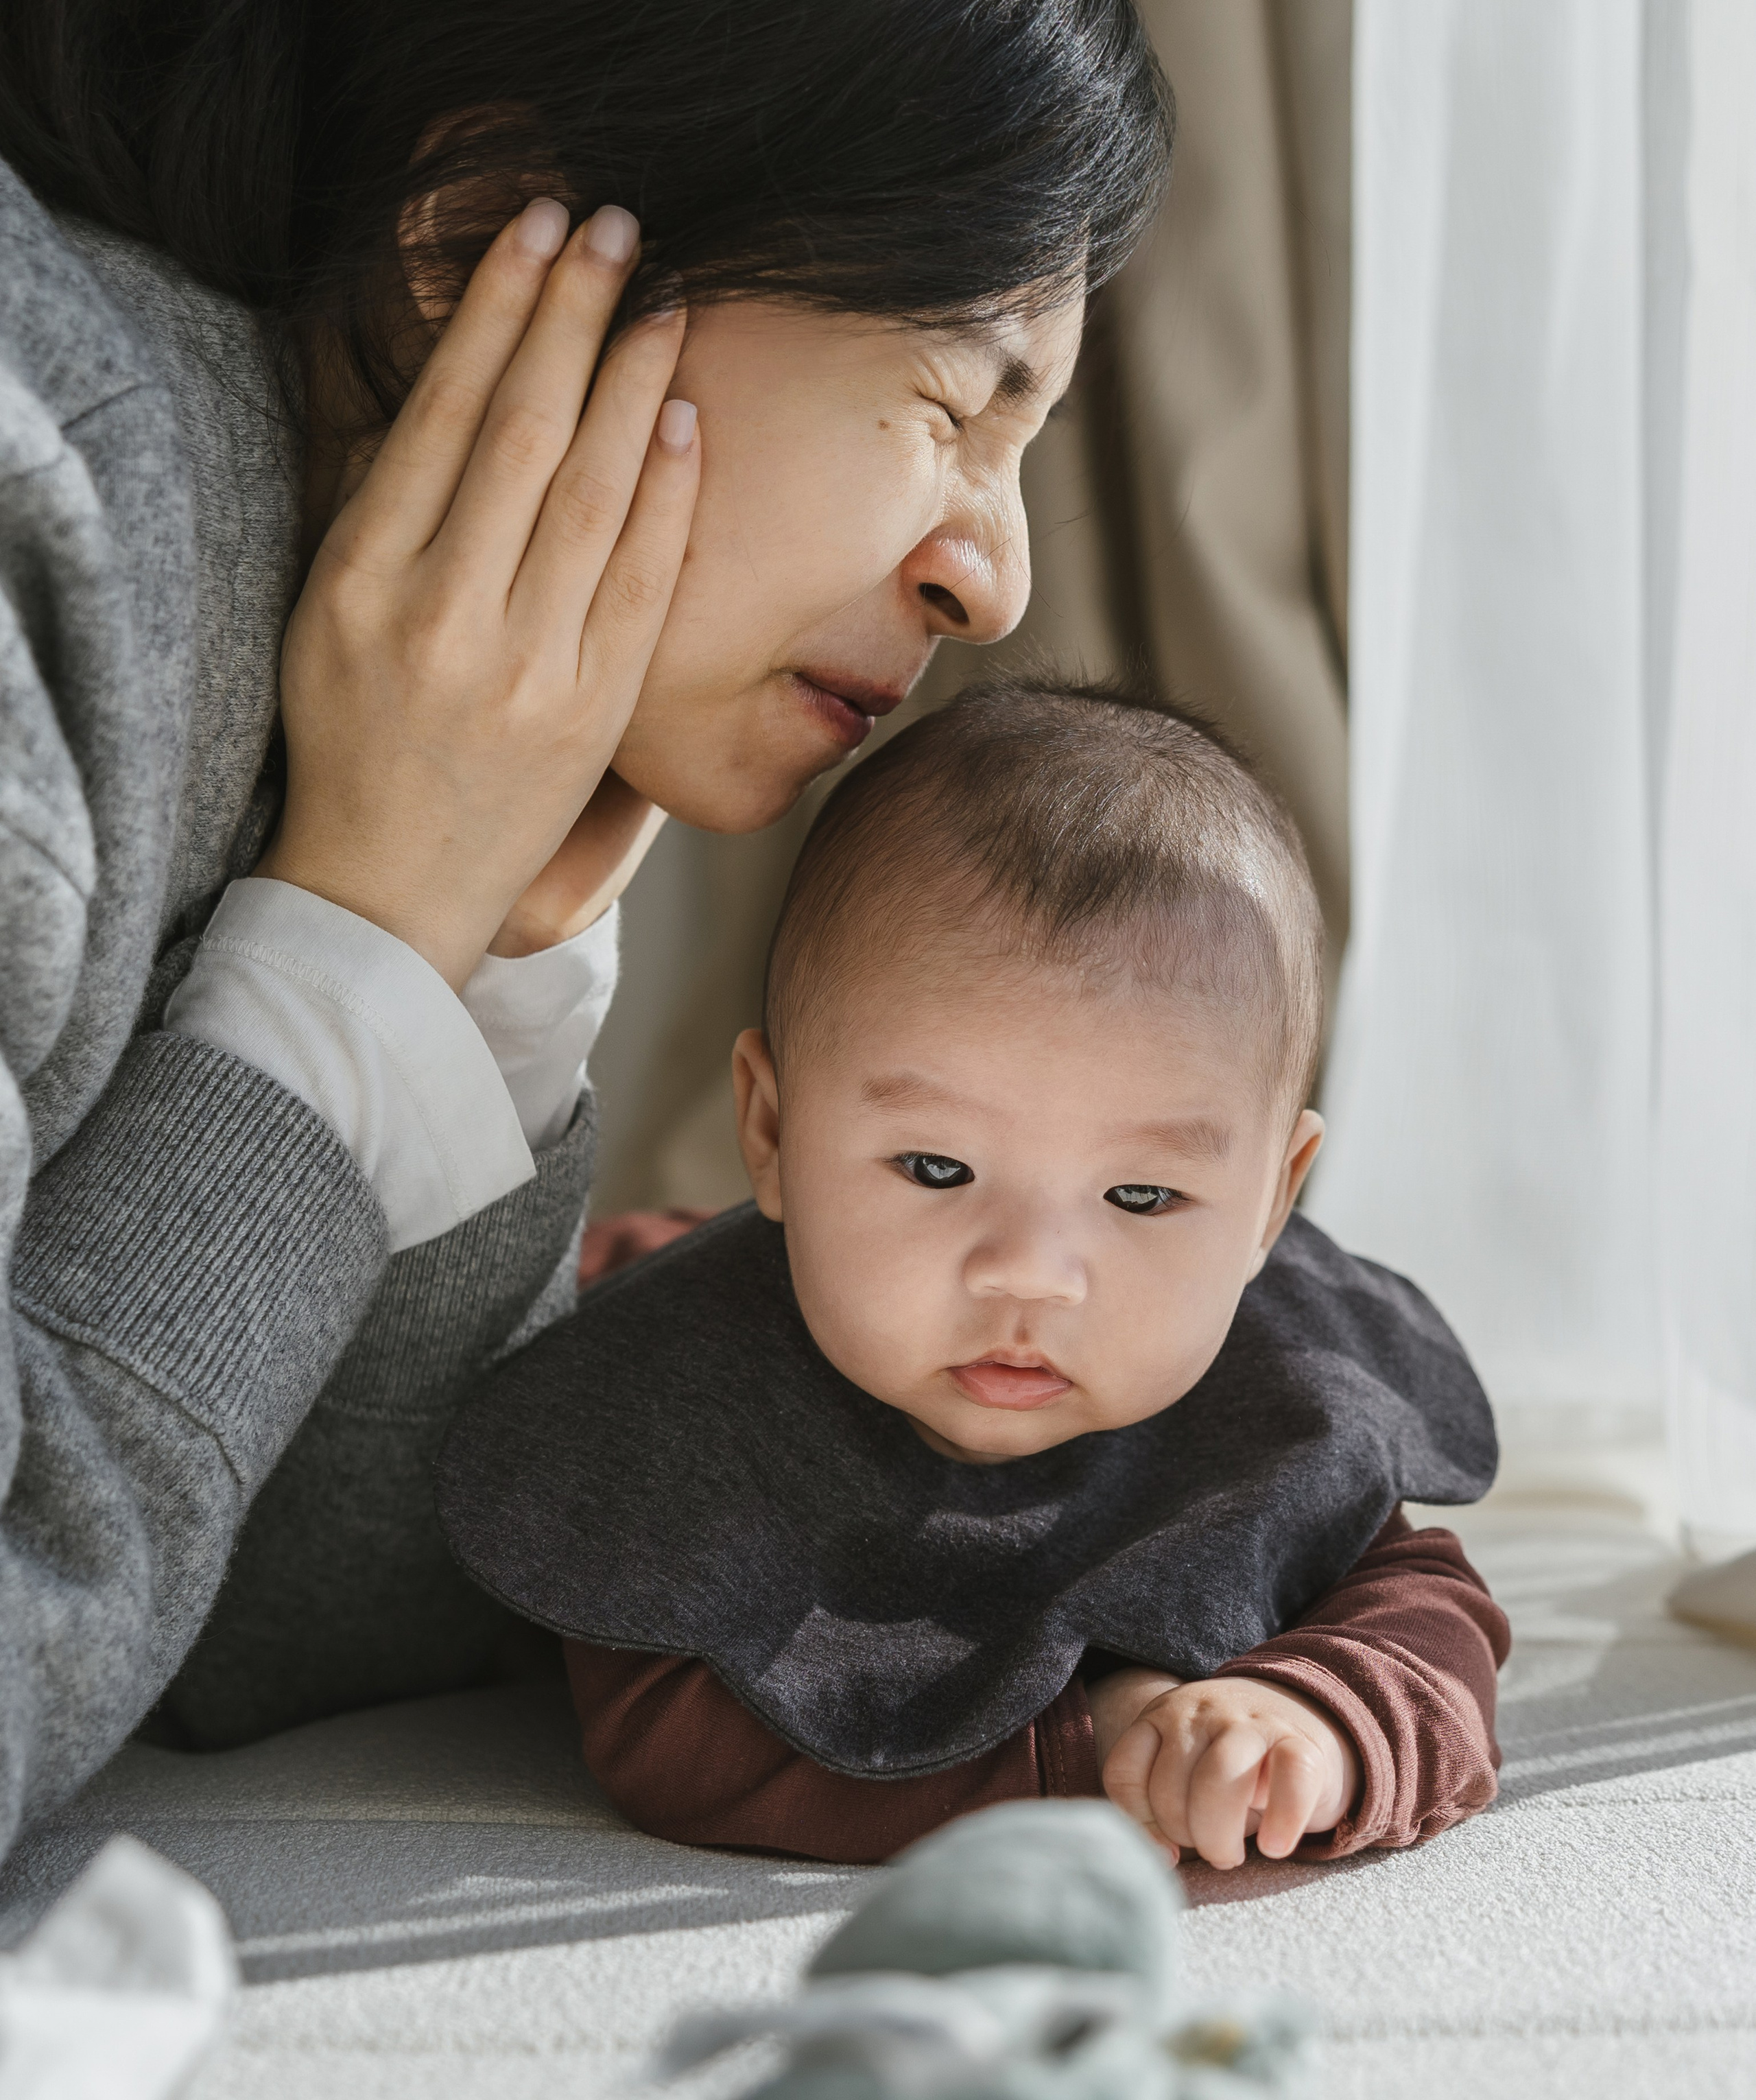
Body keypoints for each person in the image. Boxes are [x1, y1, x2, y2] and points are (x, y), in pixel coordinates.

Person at [0, 0, 1171, 1867]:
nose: (990, 580)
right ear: (479, 244)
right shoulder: (48, 494)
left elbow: (287, 1640)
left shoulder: (325, 653)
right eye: (949, 399)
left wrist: (468, 959)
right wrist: (350, 941)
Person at [438, 683, 1508, 1869]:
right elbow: (673, 1734)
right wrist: (1083, 1751)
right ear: (772, 1129)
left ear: (1272, 1199)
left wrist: (1317, 1714)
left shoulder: (1286, 1381)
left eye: (1143, 1197)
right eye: (938, 1166)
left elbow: (1431, 1615)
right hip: (667, 1273)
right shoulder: (683, 1400)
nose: (1031, 1275)